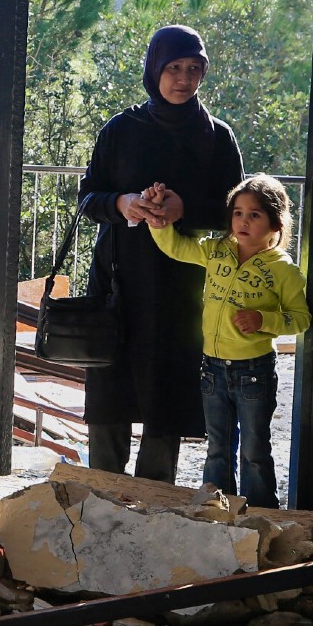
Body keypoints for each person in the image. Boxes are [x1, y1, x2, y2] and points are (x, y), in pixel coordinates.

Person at [77, 25, 243, 481]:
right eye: (174, 68)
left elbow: (236, 211)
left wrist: (183, 207)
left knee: (165, 396)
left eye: (194, 69)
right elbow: (88, 197)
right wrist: (124, 204)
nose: (184, 79)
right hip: (119, 280)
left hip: (181, 287)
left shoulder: (217, 137)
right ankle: (101, 492)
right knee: (110, 389)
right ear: (154, 70)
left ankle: (154, 500)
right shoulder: (120, 129)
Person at [148, 174, 311, 507]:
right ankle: (216, 511)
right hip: (212, 369)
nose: (243, 221)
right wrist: (158, 219)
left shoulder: (283, 270)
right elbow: (175, 246)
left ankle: (263, 514)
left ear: (275, 223)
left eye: (254, 215)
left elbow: (301, 319)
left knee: (254, 449)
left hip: (255, 372)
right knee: (217, 447)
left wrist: (264, 320)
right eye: (238, 212)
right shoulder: (216, 251)